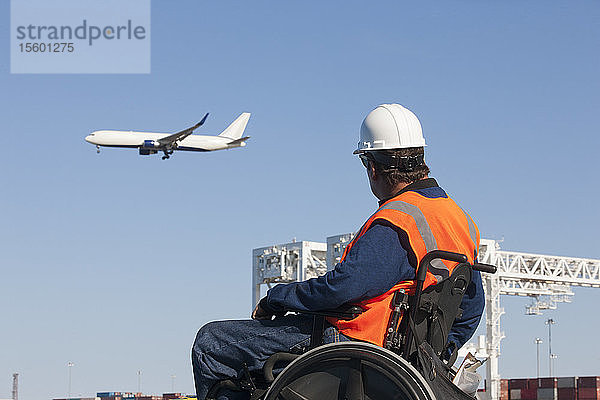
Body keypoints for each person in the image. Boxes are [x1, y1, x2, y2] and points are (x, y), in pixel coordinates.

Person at [192, 104, 484, 400]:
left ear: (372, 166)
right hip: (409, 357)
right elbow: (472, 307)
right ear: (420, 156)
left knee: (211, 343)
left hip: (354, 339)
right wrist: (435, 353)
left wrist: (277, 299)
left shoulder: (398, 220)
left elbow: (344, 287)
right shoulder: (460, 220)